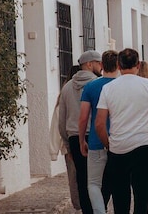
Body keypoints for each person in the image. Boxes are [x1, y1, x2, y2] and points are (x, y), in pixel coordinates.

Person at [95, 48, 148, 214]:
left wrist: (108, 144)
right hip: (145, 147)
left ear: (119, 66)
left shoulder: (108, 89)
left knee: (120, 201)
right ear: (137, 65)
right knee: (142, 199)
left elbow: (99, 123)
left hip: (118, 148)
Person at [59, 50, 103, 214]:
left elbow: (61, 120)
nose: (102, 66)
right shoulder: (98, 84)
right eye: (99, 63)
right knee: (99, 178)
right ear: (90, 64)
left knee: (82, 178)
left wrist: (67, 146)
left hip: (74, 137)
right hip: (94, 136)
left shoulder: (67, 87)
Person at [78, 50, 119, 214]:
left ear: (101, 65)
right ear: (118, 65)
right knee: (118, 182)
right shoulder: (120, 86)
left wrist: (82, 140)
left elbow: (83, 118)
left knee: (94, 183)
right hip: (118, 141)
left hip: (96, 141)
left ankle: (99, 212)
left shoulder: (91, 86)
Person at [49, 65, 81, 212]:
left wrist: (54, 150)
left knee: (74, 180)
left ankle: (80, 205)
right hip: (81, 144)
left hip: (69, 147)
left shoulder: (64, 97)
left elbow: (57, 124)